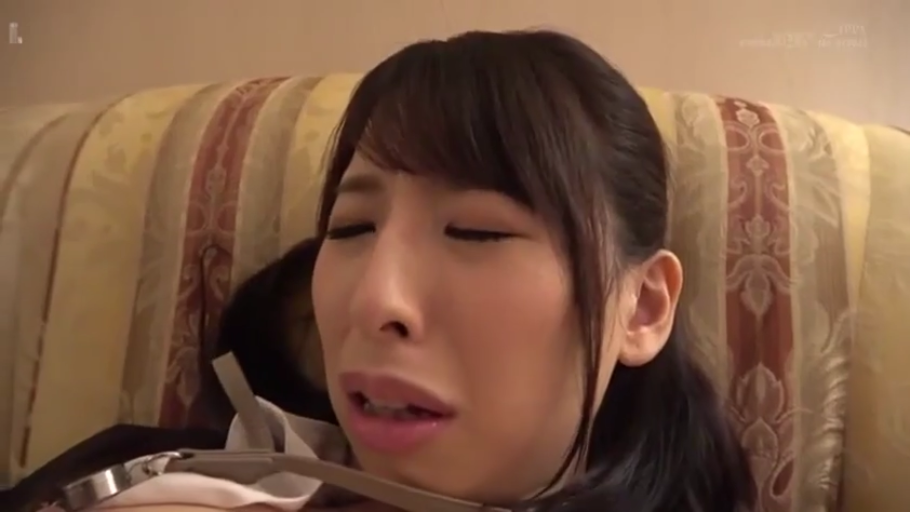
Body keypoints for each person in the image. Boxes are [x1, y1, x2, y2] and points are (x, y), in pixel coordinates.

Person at [13, 29, 756, 512]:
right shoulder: (163, 477)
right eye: (351, 228)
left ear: (642, 309)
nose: (374, 300)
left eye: (477, 231)